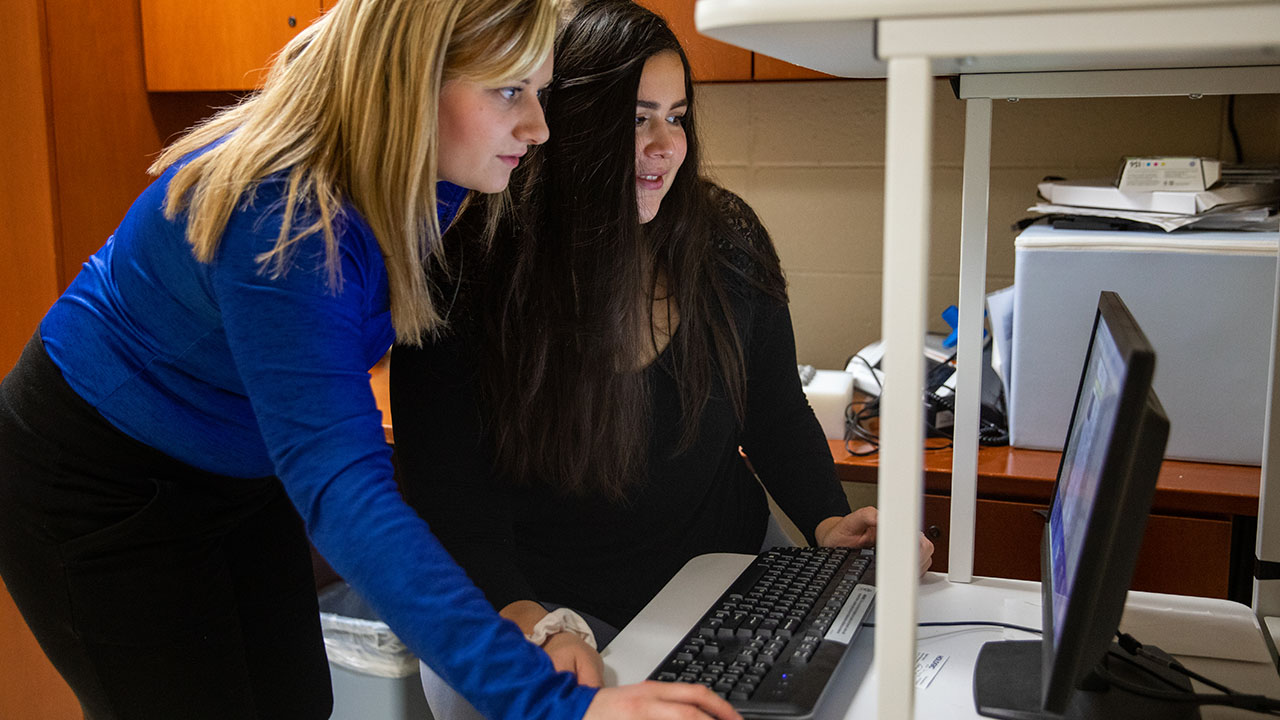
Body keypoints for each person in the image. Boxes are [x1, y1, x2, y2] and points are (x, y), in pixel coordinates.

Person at [0, 1, 740, 719]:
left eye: (540, 92)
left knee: (295, 702)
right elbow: (344, 491)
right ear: (412, 80)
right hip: (97, 477)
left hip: (239, 465)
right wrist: (557, 707)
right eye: (511, 91)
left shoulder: (435, 172)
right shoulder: (284, 222)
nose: (539, 126)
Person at [391, 0, 935, 713]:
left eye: (677, 117)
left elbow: (770, 408)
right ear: (564, 120)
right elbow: (451, 506)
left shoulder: (725, 242)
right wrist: (535, 621)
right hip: (559, 606)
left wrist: (830, 519)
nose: (664, 145)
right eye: (636, 118)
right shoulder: (470, 271)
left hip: (727, 567)